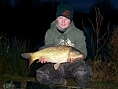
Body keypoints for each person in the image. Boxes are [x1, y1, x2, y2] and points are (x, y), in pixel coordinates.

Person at [36, 3, 92, 88]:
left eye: (66, 19)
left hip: (74, 66)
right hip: (57, 66)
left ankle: (82, 86)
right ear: (56, 19)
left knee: (82, 71)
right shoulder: (50, 33)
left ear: (71, 20)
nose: (63, 21)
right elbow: (47, 50)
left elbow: (83, 53)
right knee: (40, 75)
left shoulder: (78, 34)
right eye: (60, 18)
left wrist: (76, 58)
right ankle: (59, 82)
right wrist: (45, 58)